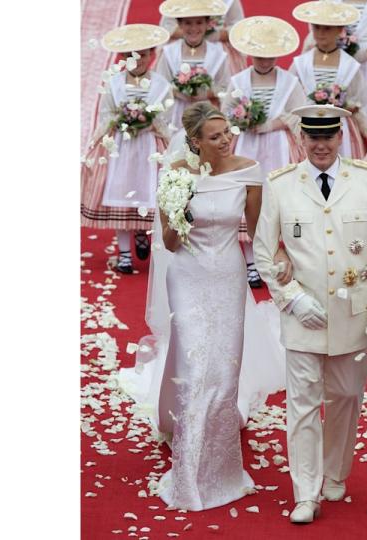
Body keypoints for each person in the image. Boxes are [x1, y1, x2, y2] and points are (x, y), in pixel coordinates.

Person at [116, 102, 293, 511]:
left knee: (224, 368)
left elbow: (259, 231)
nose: (226, 139)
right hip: (188, 276)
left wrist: (280, 266)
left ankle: (224, 466)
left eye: (227, 132)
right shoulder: (175, 174)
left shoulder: (248, 170)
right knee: (196, 366)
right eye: (215, 137)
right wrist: (181, 209)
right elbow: (172, 243)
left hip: (227, 275)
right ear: (196, 142)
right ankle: (189, 471)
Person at [252, 104, 367, 524]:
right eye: (313, 138)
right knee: (301, 403)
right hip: (303, 314)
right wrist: (290, 297)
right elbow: (264, 250)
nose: (321, 146)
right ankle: (305, 492)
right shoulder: (281, 185)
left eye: (328, 137)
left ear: (341, 138)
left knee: (347, 397)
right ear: (302, 140)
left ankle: (334, 472)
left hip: (353, 312)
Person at [223, 15, 307, 288]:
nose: (264, 59)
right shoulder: (237, 81)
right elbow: (225, 117)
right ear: (249, 53)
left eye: (270, 54)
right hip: (245, 147)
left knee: (279, 200)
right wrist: (239, 122)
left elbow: (299, 116)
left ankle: (282, 256)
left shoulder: (289, 82)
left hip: (279, 148)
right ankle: (251, 262)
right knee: (245, 199)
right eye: (258, 54)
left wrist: (274, 122)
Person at [81, 24, 173, 273]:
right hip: (121, 147)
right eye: (131, 55)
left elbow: (167, 118)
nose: (137, 60)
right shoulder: (114, 83)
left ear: (152, 54)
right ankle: (124, 253)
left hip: (149, 146)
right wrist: (100, 137)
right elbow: (107, 114)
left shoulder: (162, 85)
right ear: (122, 58)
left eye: (143, 54)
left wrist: (149, 121)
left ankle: (144, 232)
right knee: (121, 193)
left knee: (149, 192)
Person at [300, 0, 367, 126]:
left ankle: (357, 141)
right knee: (327, 104)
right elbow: (318, 28)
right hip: (333, 60)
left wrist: (365, 54)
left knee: (364, 108)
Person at [289, 1, 367, 159]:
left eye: (327, 28)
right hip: (308, 127)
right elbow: (290, 94)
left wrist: (345, 105)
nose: (320, 33)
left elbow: (360, 99)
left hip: (341, 129)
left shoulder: (350, 65)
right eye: (316, 27)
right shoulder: (301, 63)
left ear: (340, 30)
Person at [155, 0, 231, 133]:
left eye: (199, 22)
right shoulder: (169, 53)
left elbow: (225, 88)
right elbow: (160, 85)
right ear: (179, 24)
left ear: (208, 24)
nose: (194, 28)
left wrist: (208, 92)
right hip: (176, 114)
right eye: (188, 23)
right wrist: (179, 92)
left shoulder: (218, 55)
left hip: (207, 113)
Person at [159, 0, 248, 74]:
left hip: (218, 47)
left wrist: (216, 35)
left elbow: (238, 28)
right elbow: (167, 27)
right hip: (182, 46)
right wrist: (192, 34)